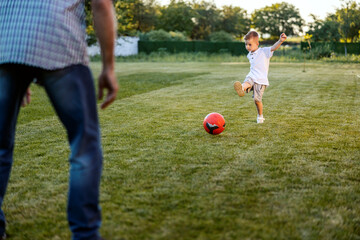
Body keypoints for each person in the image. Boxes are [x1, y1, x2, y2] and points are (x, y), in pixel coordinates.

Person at [0, 0, 118, 239]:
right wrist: (108, 66)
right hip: (58, 39)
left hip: (6, 44)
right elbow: (101, 3)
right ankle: (85, 234)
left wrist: (20, 61)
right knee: (84, 146)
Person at [234, 31, 287, 123]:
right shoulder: (249, 55)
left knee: (257, 100)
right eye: (246, 44)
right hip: (252, 76)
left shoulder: (264, 51)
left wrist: (280, 41)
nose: (247, 47)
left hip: (261, 80)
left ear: (257, 43)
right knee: (248, 81)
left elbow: (273, 48)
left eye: (250, 44)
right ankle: (242, 88)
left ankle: (260, 116)